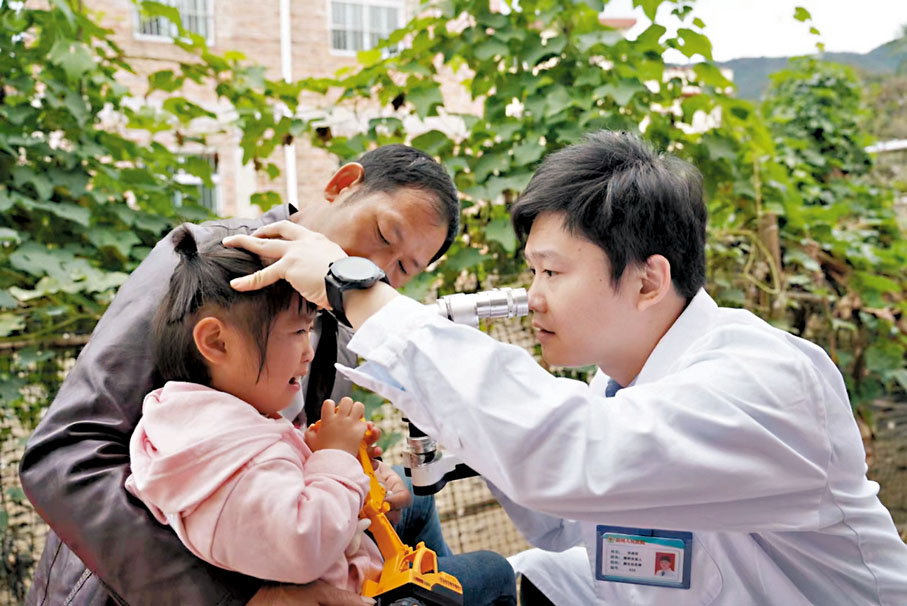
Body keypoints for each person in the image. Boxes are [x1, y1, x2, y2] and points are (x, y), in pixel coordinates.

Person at [224, 131, 907, 605]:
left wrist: (361, 291)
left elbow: (576, 457)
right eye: (531, 271)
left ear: (646, 281)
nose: (533, 296)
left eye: (551, 271)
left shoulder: (763, 380)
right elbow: (575, 525)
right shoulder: (623, 387)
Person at [20, 145, 516, 606]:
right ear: (342, 184)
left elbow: (277, 439)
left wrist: (352, 463)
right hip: (162, 576)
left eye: (403, 269)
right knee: (490, 575)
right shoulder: (210, 260)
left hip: (275, 533)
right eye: (385, 235)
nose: (376, 268)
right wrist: (245, 600)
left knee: (415, 505)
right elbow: (64, 457)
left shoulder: (345, 315)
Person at [126, 225, 384, 590]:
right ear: (217, 342)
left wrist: (312, 454)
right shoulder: (230, 455)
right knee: (490, 572)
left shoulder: (197, 430)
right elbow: (304, 542)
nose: (308, 351)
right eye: (297, 332)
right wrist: (336, 457)